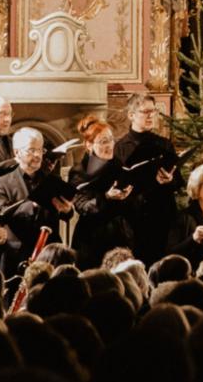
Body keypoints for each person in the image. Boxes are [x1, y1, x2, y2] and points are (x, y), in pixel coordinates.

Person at [114, 92, 179, 258]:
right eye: (145, 112)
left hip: (162, 215)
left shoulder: (164, 144)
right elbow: (117, 182)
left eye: (153, 111)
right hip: (133, 218)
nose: (151, 116)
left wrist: (170, 179)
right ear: (131, 115)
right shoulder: (120, 148)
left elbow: (179, 182)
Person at [69, 114, 136, 266]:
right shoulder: (79, 172)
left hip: (120, 239)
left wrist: (128, 195)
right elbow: (83, 206)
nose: (110, 145)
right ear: (89, 145)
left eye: (111, 139)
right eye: (103, 141)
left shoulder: (120, 166)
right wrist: (106, 197)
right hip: (92, 240)